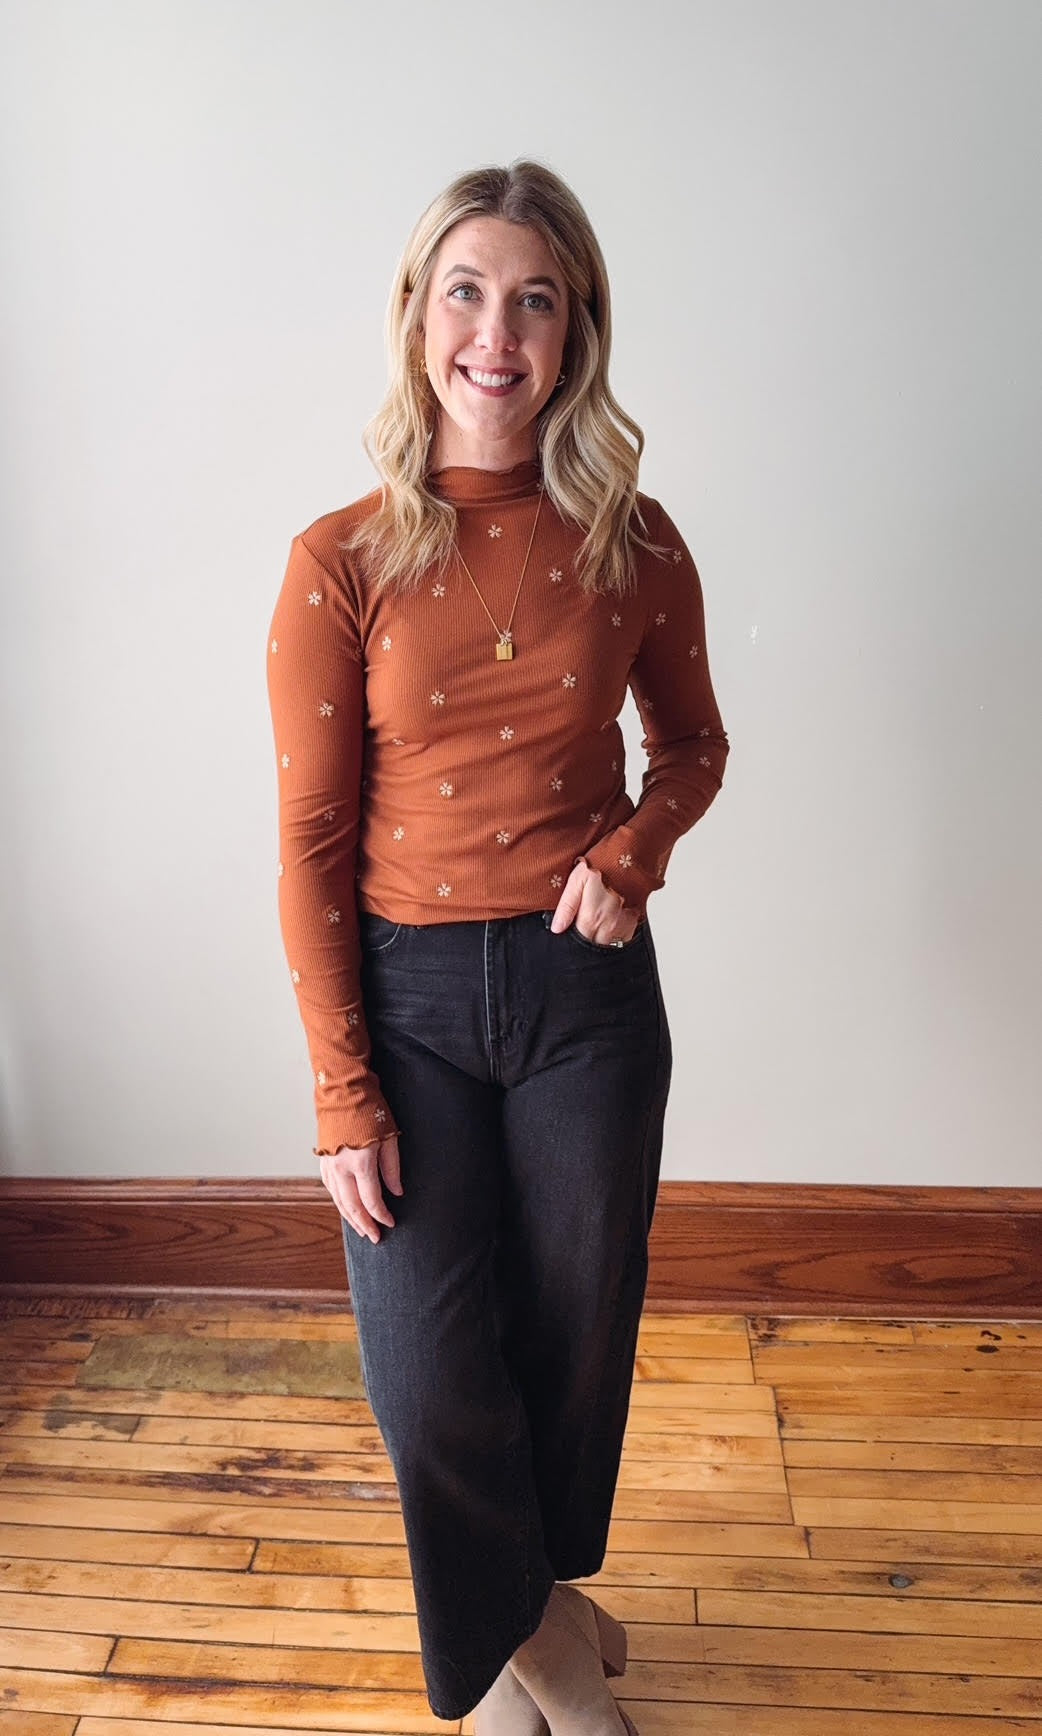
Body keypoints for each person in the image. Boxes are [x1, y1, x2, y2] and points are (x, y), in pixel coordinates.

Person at [266, 158, 728, 1735]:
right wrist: (341, 1088)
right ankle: (541, 1641)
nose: (496, 332)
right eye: (465, 291)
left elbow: (694, 750)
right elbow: (312, 844)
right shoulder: (339, 559)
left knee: (572, 1323)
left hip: (582, 996)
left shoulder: (633, 537)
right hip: (402, 1000)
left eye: (535, 297)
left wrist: (633, 853)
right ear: (415, 321)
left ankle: (529, 1600)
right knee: (427, 1365)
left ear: (575, 330)